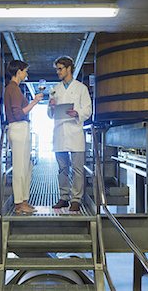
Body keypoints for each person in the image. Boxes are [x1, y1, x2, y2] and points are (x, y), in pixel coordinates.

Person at [48, 56, 92, 211]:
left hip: (75, 132)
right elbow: (49, 114)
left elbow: (88, 110)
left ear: (69, 69)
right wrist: (52, 107)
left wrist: (77, 113)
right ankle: (63, 197)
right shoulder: (54, 89)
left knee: (78, 169)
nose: (58, 72)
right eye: (57, 69)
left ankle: (76, 199)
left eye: (60, 69)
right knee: (62, 168)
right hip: (60, 132)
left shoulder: (81, 88)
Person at [4, 60, 43, 214]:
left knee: (26, 166)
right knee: (20, 167)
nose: (26, 74)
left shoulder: (15, 89)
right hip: (18, 128)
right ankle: (19, 203)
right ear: (18, 72)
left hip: (21, 129)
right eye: (25, 71)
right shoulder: (12, 89)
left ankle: (24, 201)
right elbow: (18, 113)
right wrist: (34, 102)